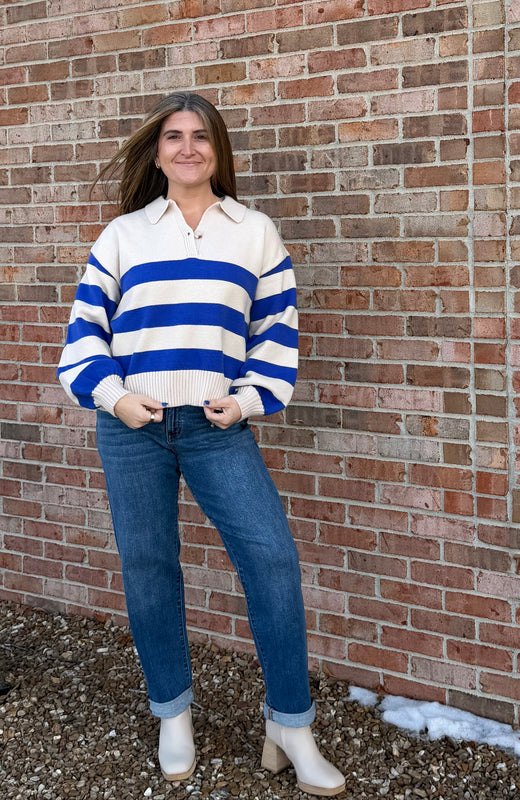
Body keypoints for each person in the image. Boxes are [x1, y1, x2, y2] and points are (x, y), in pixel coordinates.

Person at [57, 91, 345, 796]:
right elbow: (82, 339)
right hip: (133, 428)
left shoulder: (254, 233)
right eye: (174, 137)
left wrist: (246, 400)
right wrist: (117, 398)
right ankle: (173, 714)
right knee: (150, 567)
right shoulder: (123, 235)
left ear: (218, 149)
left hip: (217, 429)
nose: (188, 148)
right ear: (157, 152)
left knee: (273, 560)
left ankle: (290, 725)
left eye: (201, 137)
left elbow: (276, 338)